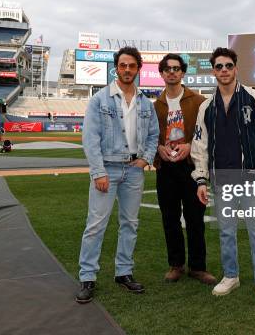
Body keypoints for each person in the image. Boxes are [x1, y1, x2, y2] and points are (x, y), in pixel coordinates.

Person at [190, 47, 255, 308]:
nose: (224, 70)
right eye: (219, 66)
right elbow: (200, 145)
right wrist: (200, 178)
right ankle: (231, 276)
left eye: (228, 65)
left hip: (253, 179)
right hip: (222, 181)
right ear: (213, 71)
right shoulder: (206, 107)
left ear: (235, 68)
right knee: (226, 233)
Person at [76, 46, 159, 304]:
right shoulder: (100, 99)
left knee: (130, 224)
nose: (126, 70)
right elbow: (90, 139)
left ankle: (123, 272)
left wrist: (145, 158)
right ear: (116, 67)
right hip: (107, 170)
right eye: (122, 65)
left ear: (138, 69)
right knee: (96, 225)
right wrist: (98, 171)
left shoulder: (145, 102)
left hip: (134, 170)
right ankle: (87, 276)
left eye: (131, 66)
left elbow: (154, 134)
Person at [153, 53, 216, 285]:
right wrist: (157, 149)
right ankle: (176, 264)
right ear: (161, 73)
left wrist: (191, 145)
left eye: (176, 68)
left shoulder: (198, 101)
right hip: (166, 168)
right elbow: (150, 137)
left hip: (191, 168)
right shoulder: (156, 105)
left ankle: (198, 267)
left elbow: (209, 134)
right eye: (167, 69)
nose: (172, 72)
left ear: (182, 72)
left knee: (195, 218)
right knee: (170, 218)